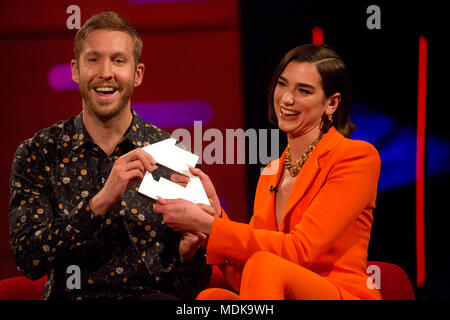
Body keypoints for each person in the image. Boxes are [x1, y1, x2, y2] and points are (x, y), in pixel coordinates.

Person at [154, 44, 382, 300]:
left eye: (303, 91)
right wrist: (215, 217)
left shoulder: (356, 157)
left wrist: (210, 225)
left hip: (339, 292)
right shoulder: (272, 171)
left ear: (331, 103)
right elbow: (245, 277)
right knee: (213, 298)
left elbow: (300, 250)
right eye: (282, 84)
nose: (286, 99)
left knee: (265, 264)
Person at [9, 11, 210, 300]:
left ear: (137, 74)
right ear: (76, 70)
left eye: (118, 60)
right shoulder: (38, 152)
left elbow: (193, 290)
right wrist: (99, 203)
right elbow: (28, 260)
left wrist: (188, 254)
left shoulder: (173, 156)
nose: (106, 72)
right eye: (93, 59)